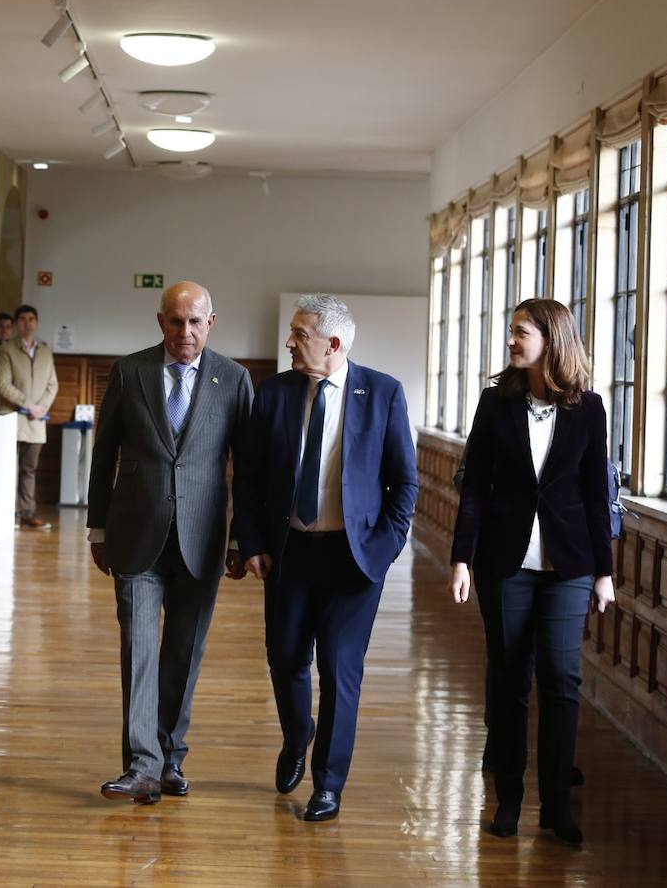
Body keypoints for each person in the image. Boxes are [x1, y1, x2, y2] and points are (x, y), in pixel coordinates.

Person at [234, 293, 418, 823]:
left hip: (353, 561)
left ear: (333, 343)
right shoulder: (275, 394)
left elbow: (403, 482)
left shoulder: (382, 393)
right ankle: (298, 736)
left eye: (299, 335)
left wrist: (383, 549)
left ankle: (329, 784)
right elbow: (247, 479)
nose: (289, 343)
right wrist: (253, 544)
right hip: (290, 554)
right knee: (286, 660)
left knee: (340, 671)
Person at [448, 298, 615, 845]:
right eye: (510, 332)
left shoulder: (588, 409)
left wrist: (604, 572)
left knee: (562, 681)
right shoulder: (495, 405)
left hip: (570, 565)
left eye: (520, 332)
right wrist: (461, 558)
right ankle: (510, 801)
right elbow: (474, 489)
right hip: (506, 564)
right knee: (510, 677)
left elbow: (596, 496)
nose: (511, 341)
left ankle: (558, 808)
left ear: (552, 339)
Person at [87, 281, 253, 804]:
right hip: (136, 534)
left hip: (202, 541)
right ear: (161, 321)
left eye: (196, 322)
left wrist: (243, 535)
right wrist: (97, 526)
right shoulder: (129, 372)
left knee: (184, 652)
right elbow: (104, 451)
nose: (186, 332)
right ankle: (141, 766)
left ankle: (169, 757)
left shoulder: (234, 378)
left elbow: (247, 467)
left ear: (211, 321)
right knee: (137, 649)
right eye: (176, 322)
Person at [0, 304, 58, 530]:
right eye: (22, 319)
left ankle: (27, 513)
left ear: (36, 323)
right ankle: (7, 514)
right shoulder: (6, 350)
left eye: (31, 319)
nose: (27, 323)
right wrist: (27, 404)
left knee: (29, 470)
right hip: (13, 419)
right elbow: (3, 385)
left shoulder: (45, 351)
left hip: (36, 422)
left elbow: (53, 385)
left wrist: (40, 407)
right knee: (9, 467)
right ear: (16, 323)